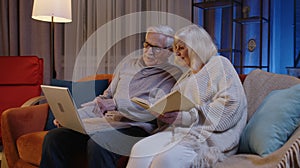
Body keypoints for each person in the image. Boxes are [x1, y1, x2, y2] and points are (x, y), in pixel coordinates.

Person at [40, 25, 182, 168]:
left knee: (98, 143)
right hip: (107, 122)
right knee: (54, 137)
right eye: (147, 44)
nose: (149, 52)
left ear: (169, 51)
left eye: (156, 48)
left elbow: (153, 109)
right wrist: (74, 117)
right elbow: (105, 98)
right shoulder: (128, 65)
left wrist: (117, 103)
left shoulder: (172, 75)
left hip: (136, 128)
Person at [126, 24, 247, 168]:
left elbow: (231, 105)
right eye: (175, 48)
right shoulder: (186, 76)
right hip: (177, 131)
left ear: (197, 46)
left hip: (205, 137)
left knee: (165, 159)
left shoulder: (219, 64)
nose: (176, 52)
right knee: (140, 150)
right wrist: (164, 113)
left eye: (181, 47)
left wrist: (185, 117)